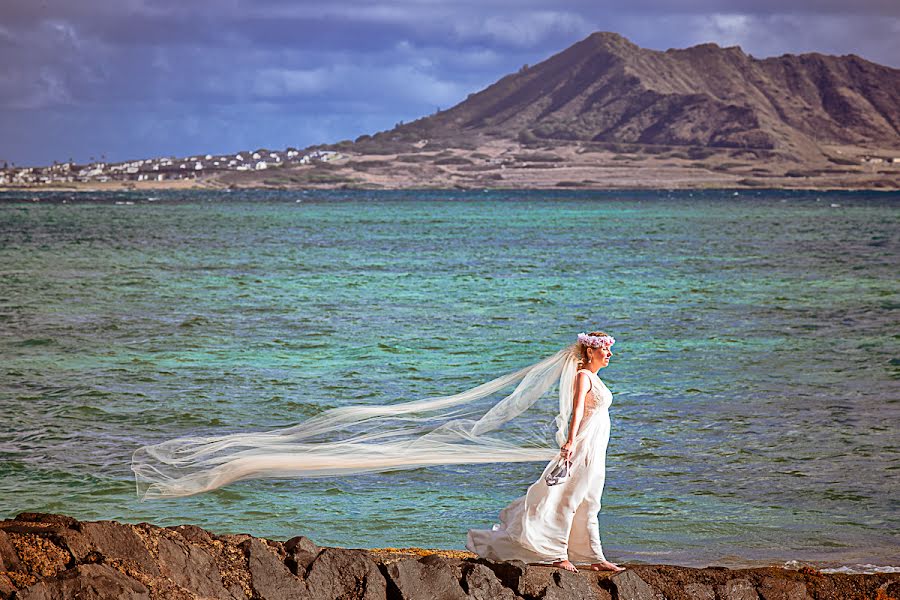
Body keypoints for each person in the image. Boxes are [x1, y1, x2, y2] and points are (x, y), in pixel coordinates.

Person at [466, 331, 624, 573]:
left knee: (591, 499)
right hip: (585, 445)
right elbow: (578, 410)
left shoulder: (595, 378)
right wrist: (571, 441)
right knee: (569, 497)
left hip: (597, 446)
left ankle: (595, 556)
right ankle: (559, 554)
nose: (610, 353)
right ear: (591, 351)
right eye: (605, 349)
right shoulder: (584, 377)